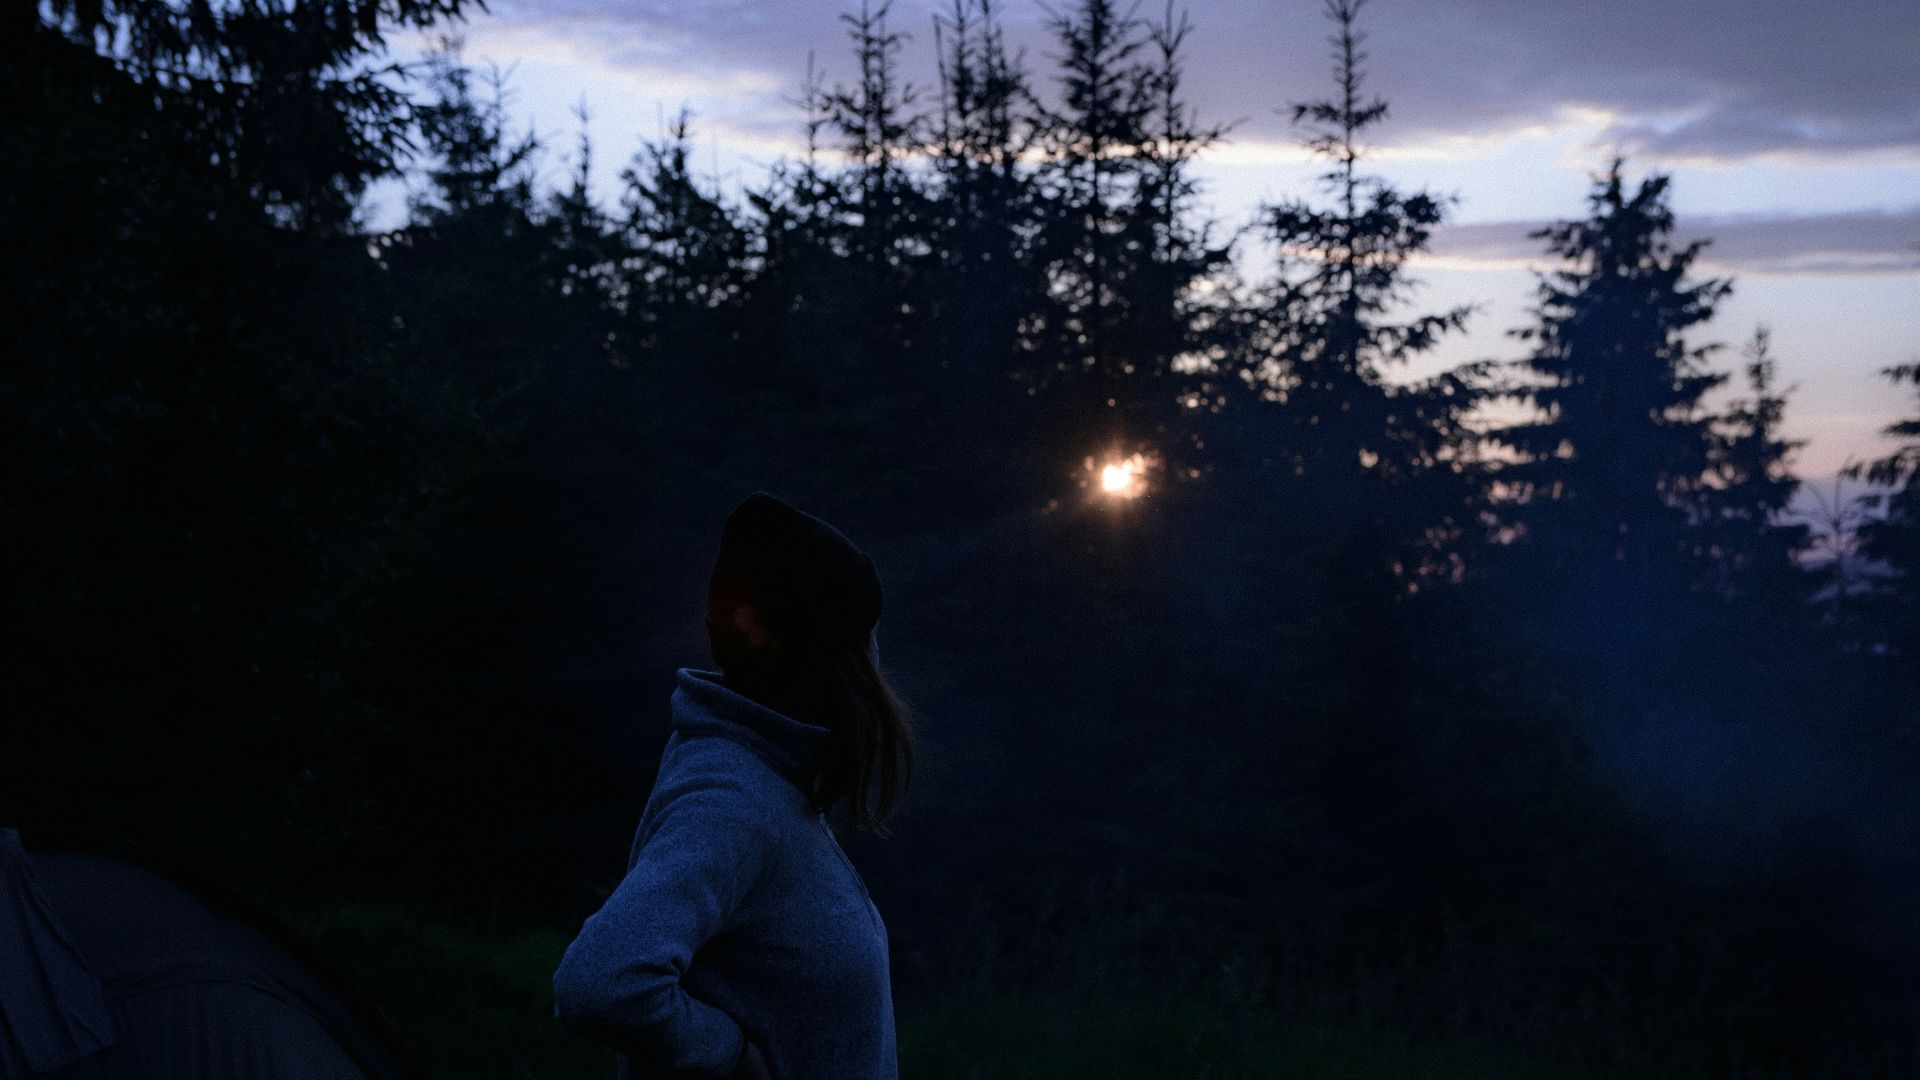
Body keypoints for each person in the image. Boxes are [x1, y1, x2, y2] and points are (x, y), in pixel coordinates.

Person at [553, 492, 916, 1080]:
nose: (877, 659)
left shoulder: (770, 781)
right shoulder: (734, 802)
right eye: (863, 638)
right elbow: (601, 983)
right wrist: (728, 1057)